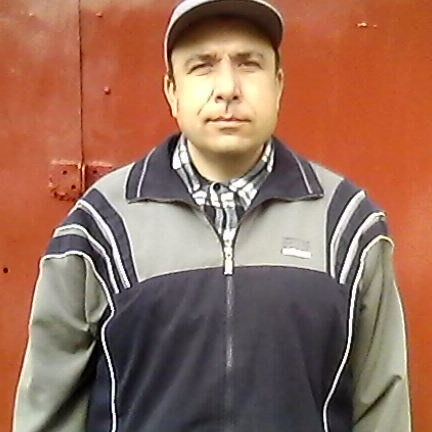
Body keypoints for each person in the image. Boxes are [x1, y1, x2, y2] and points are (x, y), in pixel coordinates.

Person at [13, 0, 412, 431]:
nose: (227, 88)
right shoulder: (101, 226)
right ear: (172, 91)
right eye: (202, 66)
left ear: (278, 84)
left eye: (248, 64)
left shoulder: (347, 225)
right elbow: (48, 405)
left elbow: (383, 406)